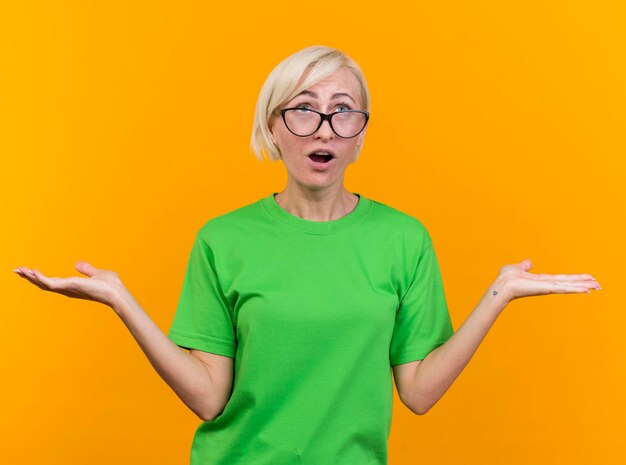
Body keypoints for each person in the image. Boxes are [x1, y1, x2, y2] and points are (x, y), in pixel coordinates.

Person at [13, 45, 602, 465]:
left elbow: (419, 393)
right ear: (274, 127)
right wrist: (122, 300)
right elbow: (208, 398)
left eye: (343, 110)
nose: (324, 127)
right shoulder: (224, 239)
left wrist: (497, 296)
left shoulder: (403, 239)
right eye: (303, 108)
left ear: (361, 134)